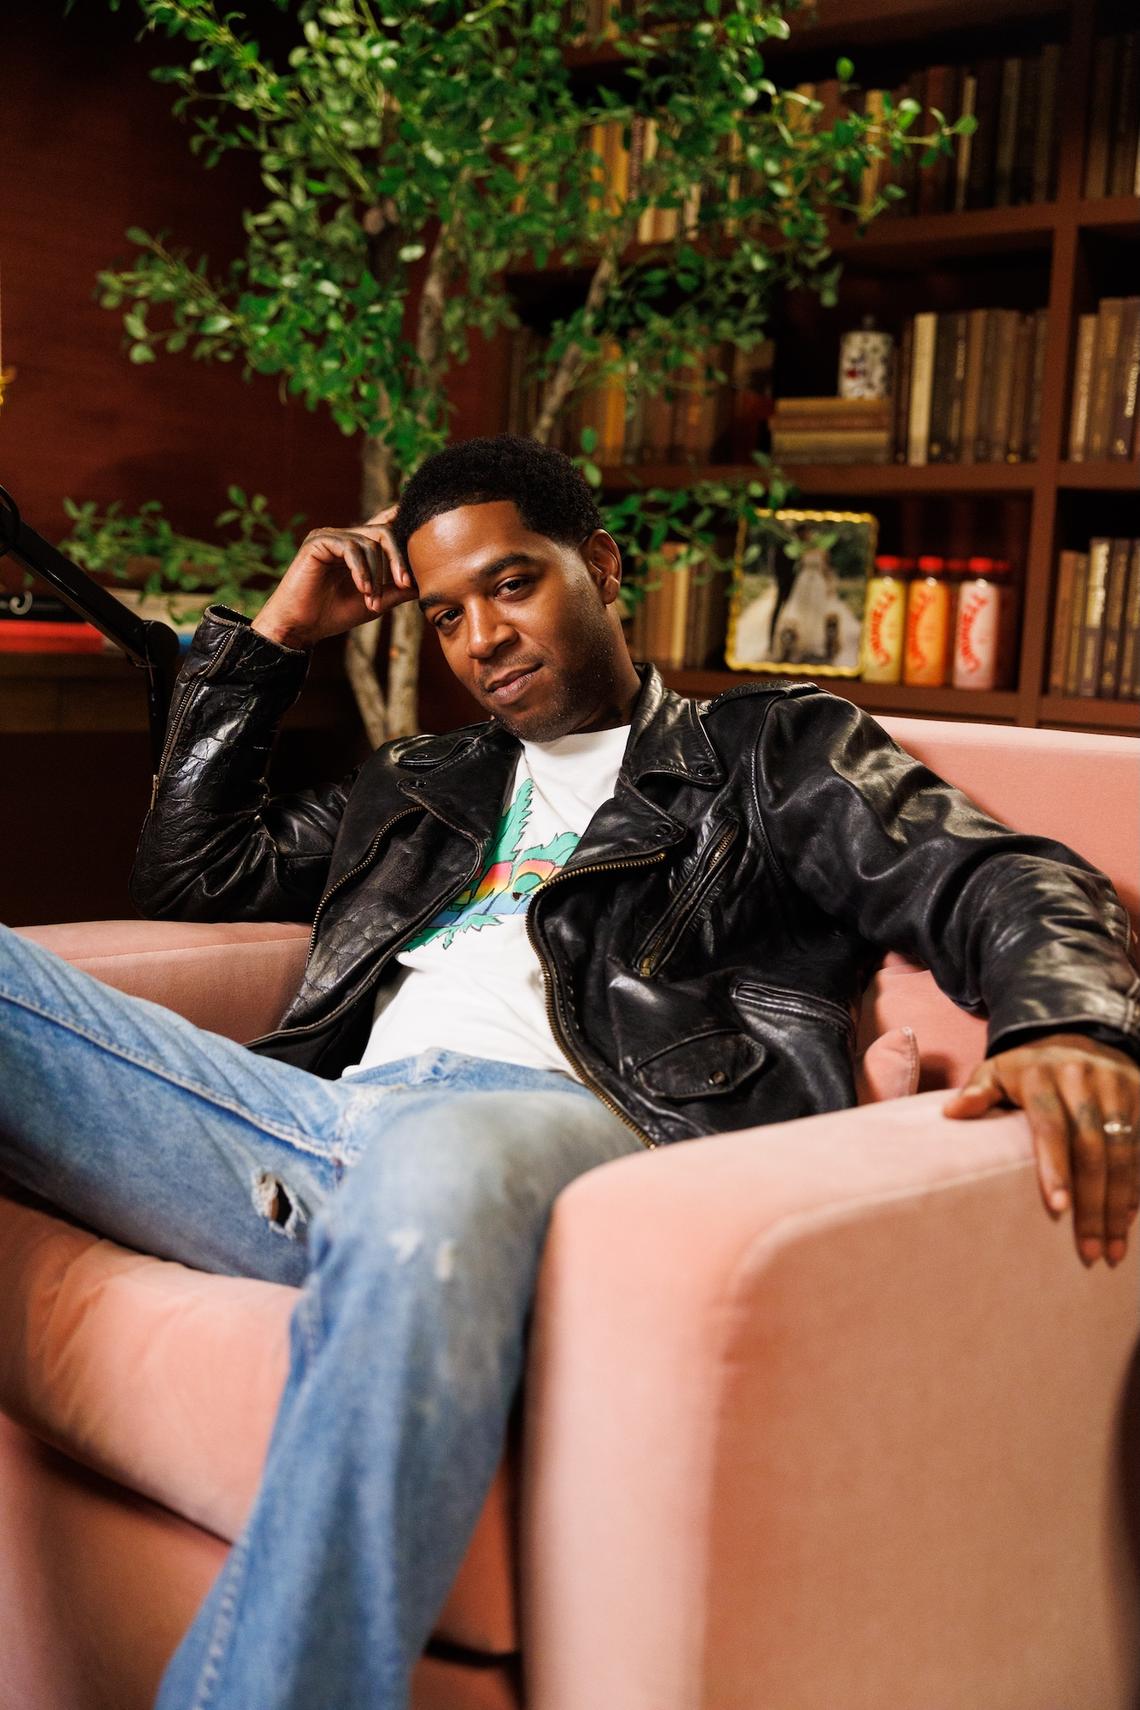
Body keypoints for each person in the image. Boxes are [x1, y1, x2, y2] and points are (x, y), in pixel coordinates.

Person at [1, 433, 1138, 1710]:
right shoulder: (419, 781)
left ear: (598, 566)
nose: (481, 639)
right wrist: (275, 639)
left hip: (564, 1136)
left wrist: (1066, 1020)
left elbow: (999, 875)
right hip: (310, 1133)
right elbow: (195, 881)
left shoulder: (768, 750)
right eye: (445, 615)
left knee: (445, 1151)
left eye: (512, 583)